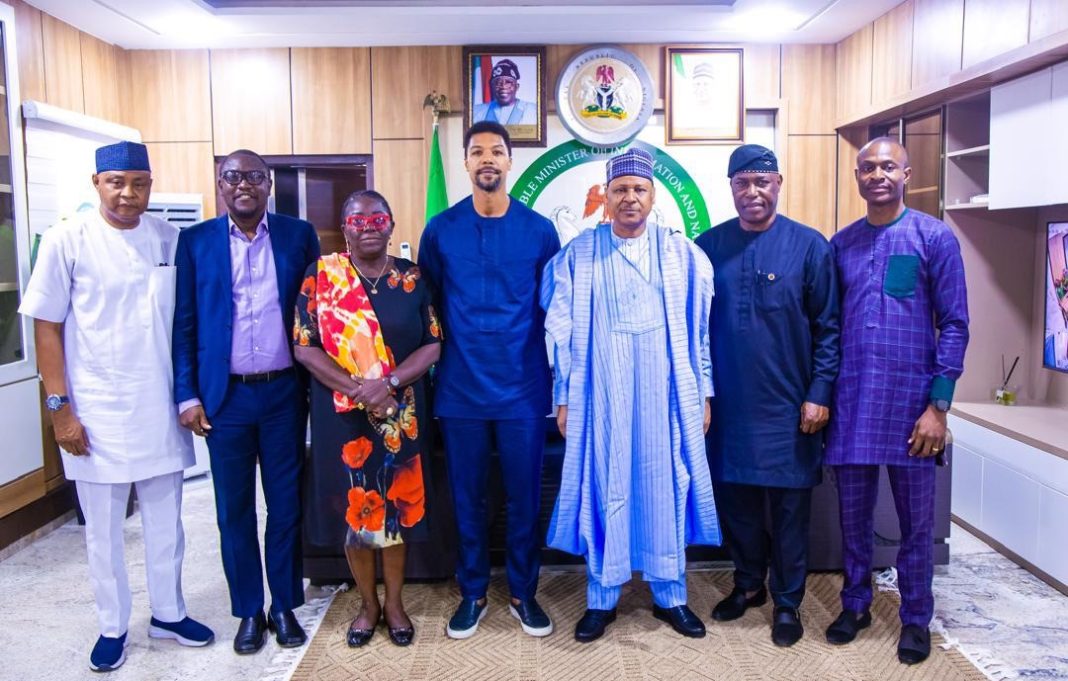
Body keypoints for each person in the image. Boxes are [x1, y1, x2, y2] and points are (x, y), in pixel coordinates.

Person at [19, 141, 214, 672]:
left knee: (166, 522)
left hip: (159, 406)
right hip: (95, 409)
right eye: (117, 182)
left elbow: (185, 324)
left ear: (151, 183)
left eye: (140, 183)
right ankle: (112, 625)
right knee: (102, 530)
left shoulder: (170, 240)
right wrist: (60, 409)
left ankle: (169, 613)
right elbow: (47, 328)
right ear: (97, 183)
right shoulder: (67, 241)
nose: (129, 194)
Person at [542, 147, 720, 643]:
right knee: (606, 481)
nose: (629, 198)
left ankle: (671, 595)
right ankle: (601, 597)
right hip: (601, 394)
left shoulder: (682, 254)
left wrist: (702, 392)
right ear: (606, 196)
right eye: (620, 189)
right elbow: (560, 331)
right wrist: (564, 397)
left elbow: (700, 333)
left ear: (653, 195)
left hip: (665, 395)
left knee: (667, 483)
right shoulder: (578, 254)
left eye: (639, 189)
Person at [826, 137, 969, 665]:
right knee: (854, 519)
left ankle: (915, 618)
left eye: (888, 166)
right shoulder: (841, 244)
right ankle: (856, 604)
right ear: (858, 176)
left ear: (907, 173)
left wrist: (939, 406)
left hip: (914, 409)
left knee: (916, 525)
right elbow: (829, 326)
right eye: (868, 167)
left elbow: (955, 324)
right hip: (852, 404)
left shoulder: (935, 238)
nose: (877, 174)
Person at [172, 149, 320, 654]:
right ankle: (249, 611)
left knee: (284, 506)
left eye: (254, 177)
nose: (243, 185)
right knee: (233, 510)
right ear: (220, 184)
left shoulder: (298, 236)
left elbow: (316, 313)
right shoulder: (194, 243)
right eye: (233, 177)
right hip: (225, 398)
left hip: (283, 392)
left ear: (269, 183)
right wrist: (187, 395)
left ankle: (283, 605)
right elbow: (185, 325)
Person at [418, 121, 560, 639]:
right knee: (468, 496)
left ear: (509, 161)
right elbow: (428, 305)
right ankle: (473, 591)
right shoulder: (440, 229)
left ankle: (524, 592)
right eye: (476, 151)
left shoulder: (540, 230)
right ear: (465, 162)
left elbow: (554, 307)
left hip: (522, 387)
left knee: (524, 497)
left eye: (496, 151)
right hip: (460, 390)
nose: (487, 160)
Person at [695, 144, 840, 647]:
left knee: (789, 512)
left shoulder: (809, 246)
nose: (752, 191)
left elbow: (829, 329)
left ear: (779, 182)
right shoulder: (706, 247)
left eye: (762, 181)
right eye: (742, 183)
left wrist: (820, 392)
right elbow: (690, 328)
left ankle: (787, 602)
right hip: (728, 408)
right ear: (730, 187)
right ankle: (747, 585)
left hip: (789, 408)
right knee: (735, 505)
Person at [294, 190, 441, 648]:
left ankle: (395, 604)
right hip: (344, 414)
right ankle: (367, 605)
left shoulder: (413, 278)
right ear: (345, 228)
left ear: (392, 225)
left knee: (394, 510)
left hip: (401, 414)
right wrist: (358, 388)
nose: (369, 226)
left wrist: (390, 382)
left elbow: (433, 342)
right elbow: (304, 345)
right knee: (357, 516)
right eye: (358, 220)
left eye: (378, 218)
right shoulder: (322, 276)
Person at [472, 59, 538, 126]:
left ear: (517, 87)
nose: (503, 86)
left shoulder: (534, 111)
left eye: (508, 82)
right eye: (498, 82)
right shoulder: (476, 112)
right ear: (492, 87)